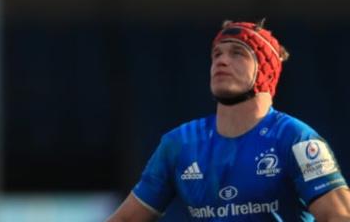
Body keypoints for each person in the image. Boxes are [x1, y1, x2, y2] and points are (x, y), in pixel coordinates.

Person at [107, 20, 350, 222]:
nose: (221, 61)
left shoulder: (297, 139)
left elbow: (339, 216)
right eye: (216, 54)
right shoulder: (179, 144)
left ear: (265, 70)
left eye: (237, 53)